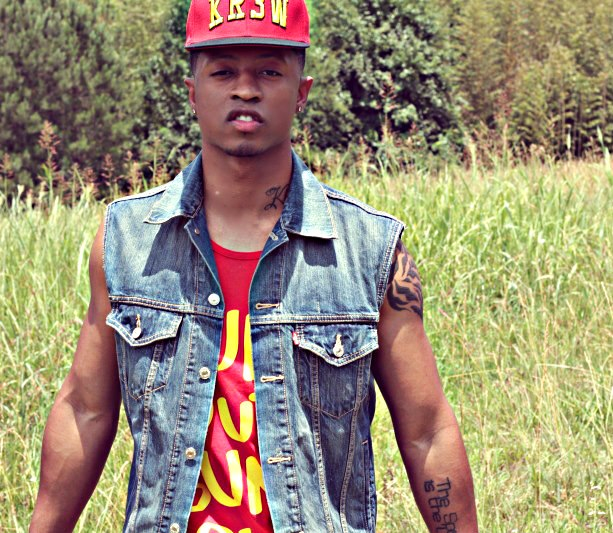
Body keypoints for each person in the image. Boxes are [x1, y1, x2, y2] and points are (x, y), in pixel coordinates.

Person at [30, 1, 478, 532]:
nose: (245, 90)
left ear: (302, 92)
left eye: (268, 71)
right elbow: (84, 411)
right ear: (193, 92)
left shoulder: (371, 248)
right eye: (223, 72)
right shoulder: (127, 239)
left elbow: (427, 431)